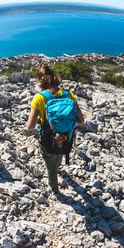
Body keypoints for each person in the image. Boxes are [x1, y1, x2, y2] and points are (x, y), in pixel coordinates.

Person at [27, 63, 84, 194]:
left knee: (51, 168)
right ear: (55, 78)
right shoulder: (69, 95)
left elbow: (29, 127)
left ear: (41, 81)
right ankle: (58, 166)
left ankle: (55, 191)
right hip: (65, 138)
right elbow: (81, 121)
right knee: (59, 156)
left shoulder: (39, 98)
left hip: (48, 139)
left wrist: (40, 120)